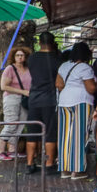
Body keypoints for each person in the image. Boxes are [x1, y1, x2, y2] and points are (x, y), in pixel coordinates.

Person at [56, 42, 97, 179]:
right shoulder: (85, 67)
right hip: (81, 102)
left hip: (64, 101)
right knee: (79, 136)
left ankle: (64, 169)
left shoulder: (64, 65)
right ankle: (77, 170)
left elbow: (58, 84)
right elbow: (91, 88)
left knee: (65, 135)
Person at [25, 32, 60, 173]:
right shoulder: (57, 59)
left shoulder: (32, 58)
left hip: (33, 99)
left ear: (39, 42)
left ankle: (29, 164)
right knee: (50, 132)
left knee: (32, 131)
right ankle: (49, 164)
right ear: (52, 42)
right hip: (50, 99)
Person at [0, 46, 32, 161]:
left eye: (22, 55)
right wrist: (23, 91)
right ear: (14, 57)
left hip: (24, 99)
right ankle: (0, 151)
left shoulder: (28, 68)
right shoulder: (10, 69)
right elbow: (4, 86)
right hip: (12, 98)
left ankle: (12, 150)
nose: (20, 57)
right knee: (11, 123)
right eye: (17, 55)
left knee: (20, 124)